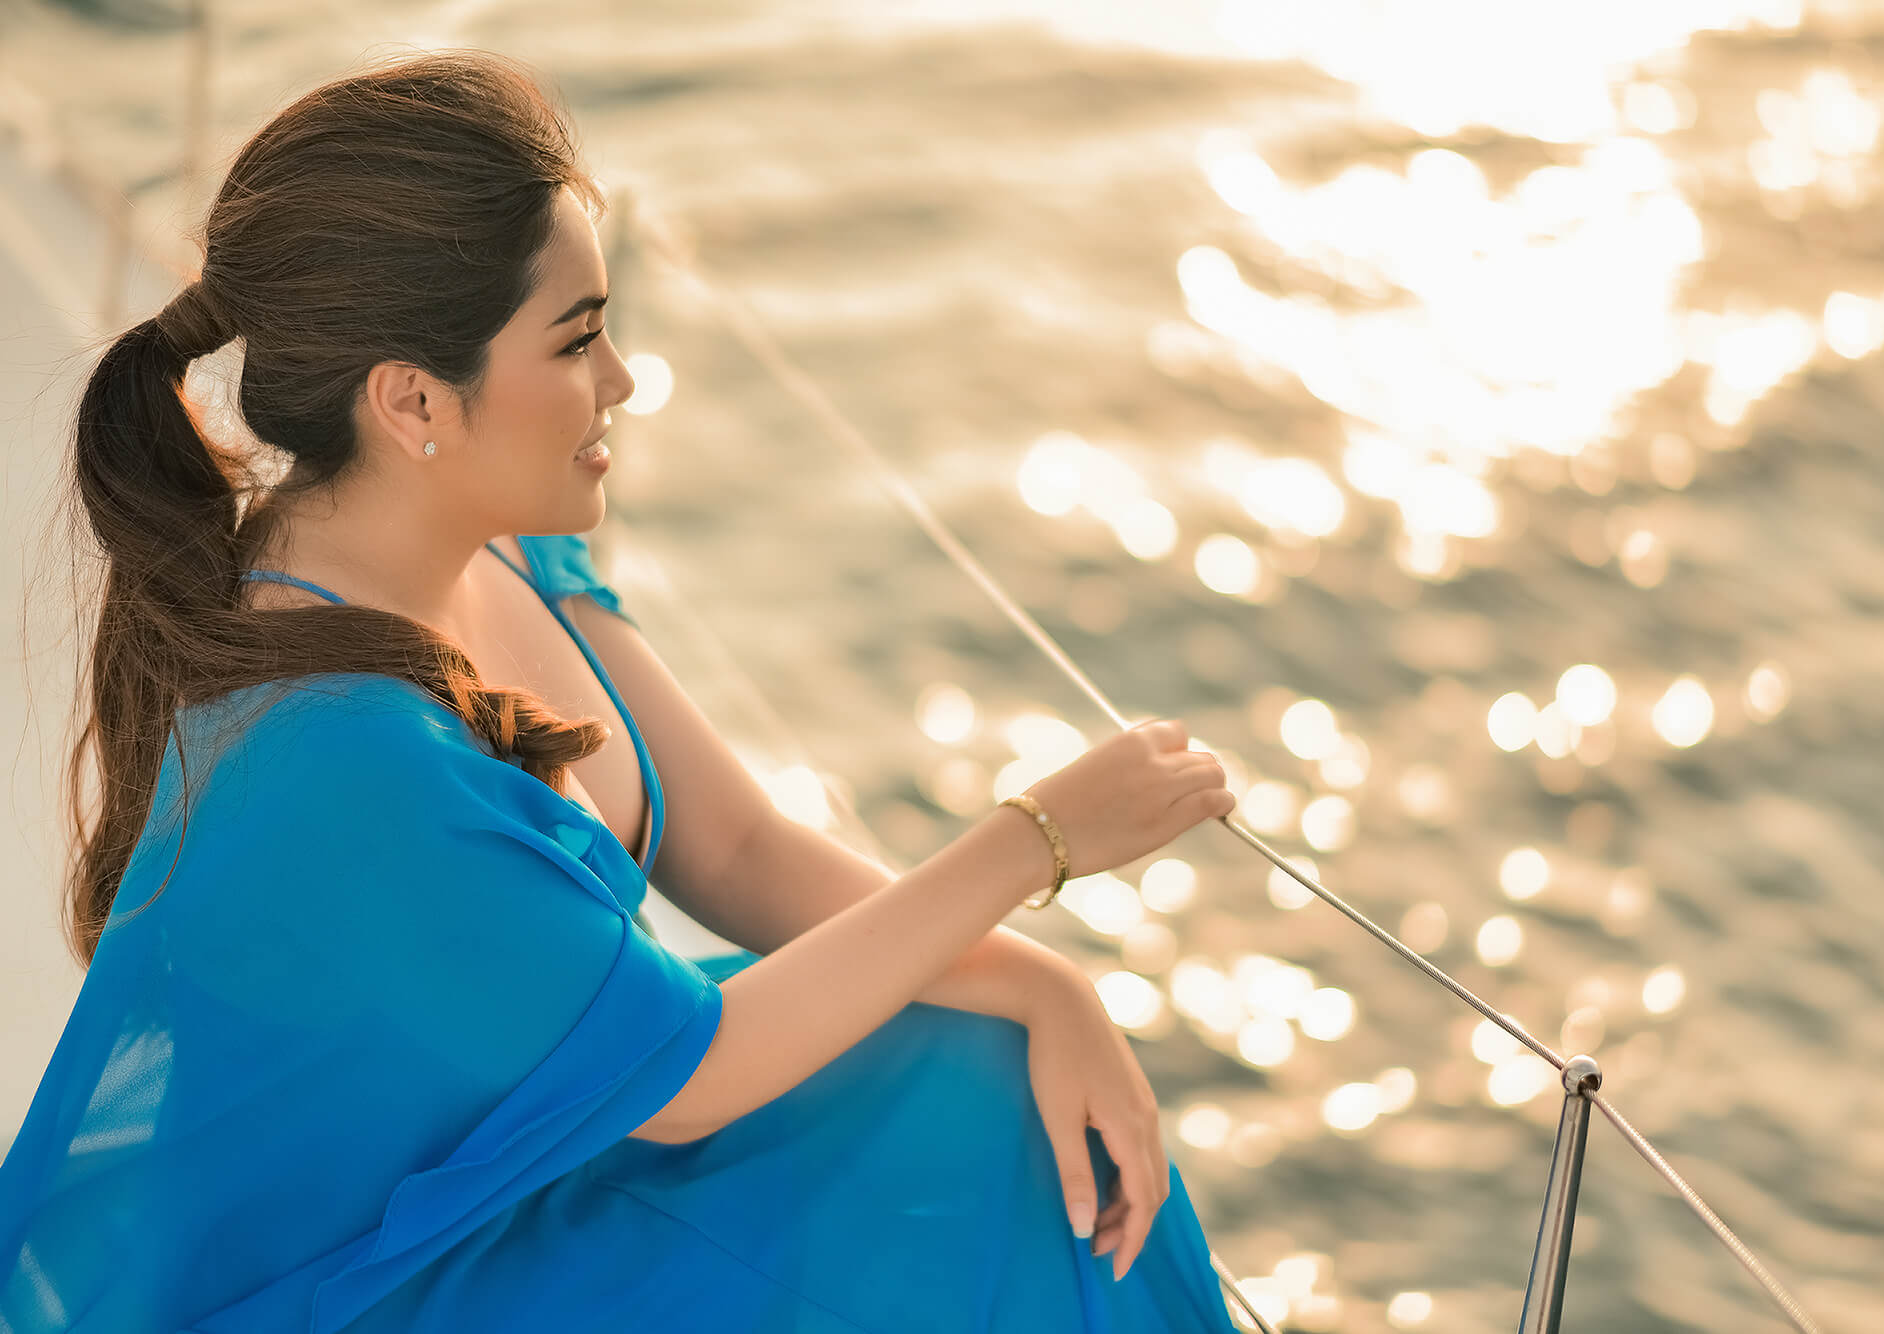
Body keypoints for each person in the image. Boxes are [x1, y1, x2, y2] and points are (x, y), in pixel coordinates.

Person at [0, 50, 1241, 1332]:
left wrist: (1047, 984)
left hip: (534, 1165)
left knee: (989, 1073)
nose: (624, 378)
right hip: (399, 1270)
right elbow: (692, 1076)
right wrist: (1036, 836)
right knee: (990, 1149)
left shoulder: (500, 547)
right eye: (579, 337)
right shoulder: (344, 753)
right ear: (414, 400)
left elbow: (737, 844)